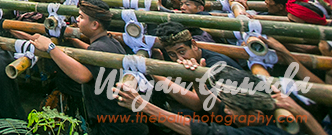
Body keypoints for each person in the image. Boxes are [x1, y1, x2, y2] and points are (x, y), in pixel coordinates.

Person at [30, 0, 149, 135]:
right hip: (125, 122)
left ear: (94, 25)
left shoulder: (99, 48)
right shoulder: (110, 42)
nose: (77, 20)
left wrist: (50, 48)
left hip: (114, 126)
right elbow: (92, 53)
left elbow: (82, 76)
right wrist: (72, 39)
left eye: (81, 17)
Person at [115, 65, 284, 135]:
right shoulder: (249, 112)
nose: (226, 111)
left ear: (257, 114)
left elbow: (202, 130)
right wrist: (197, 79)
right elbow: (215, 107)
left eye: (232, 109)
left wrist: (142, 104)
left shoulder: (268, 132)